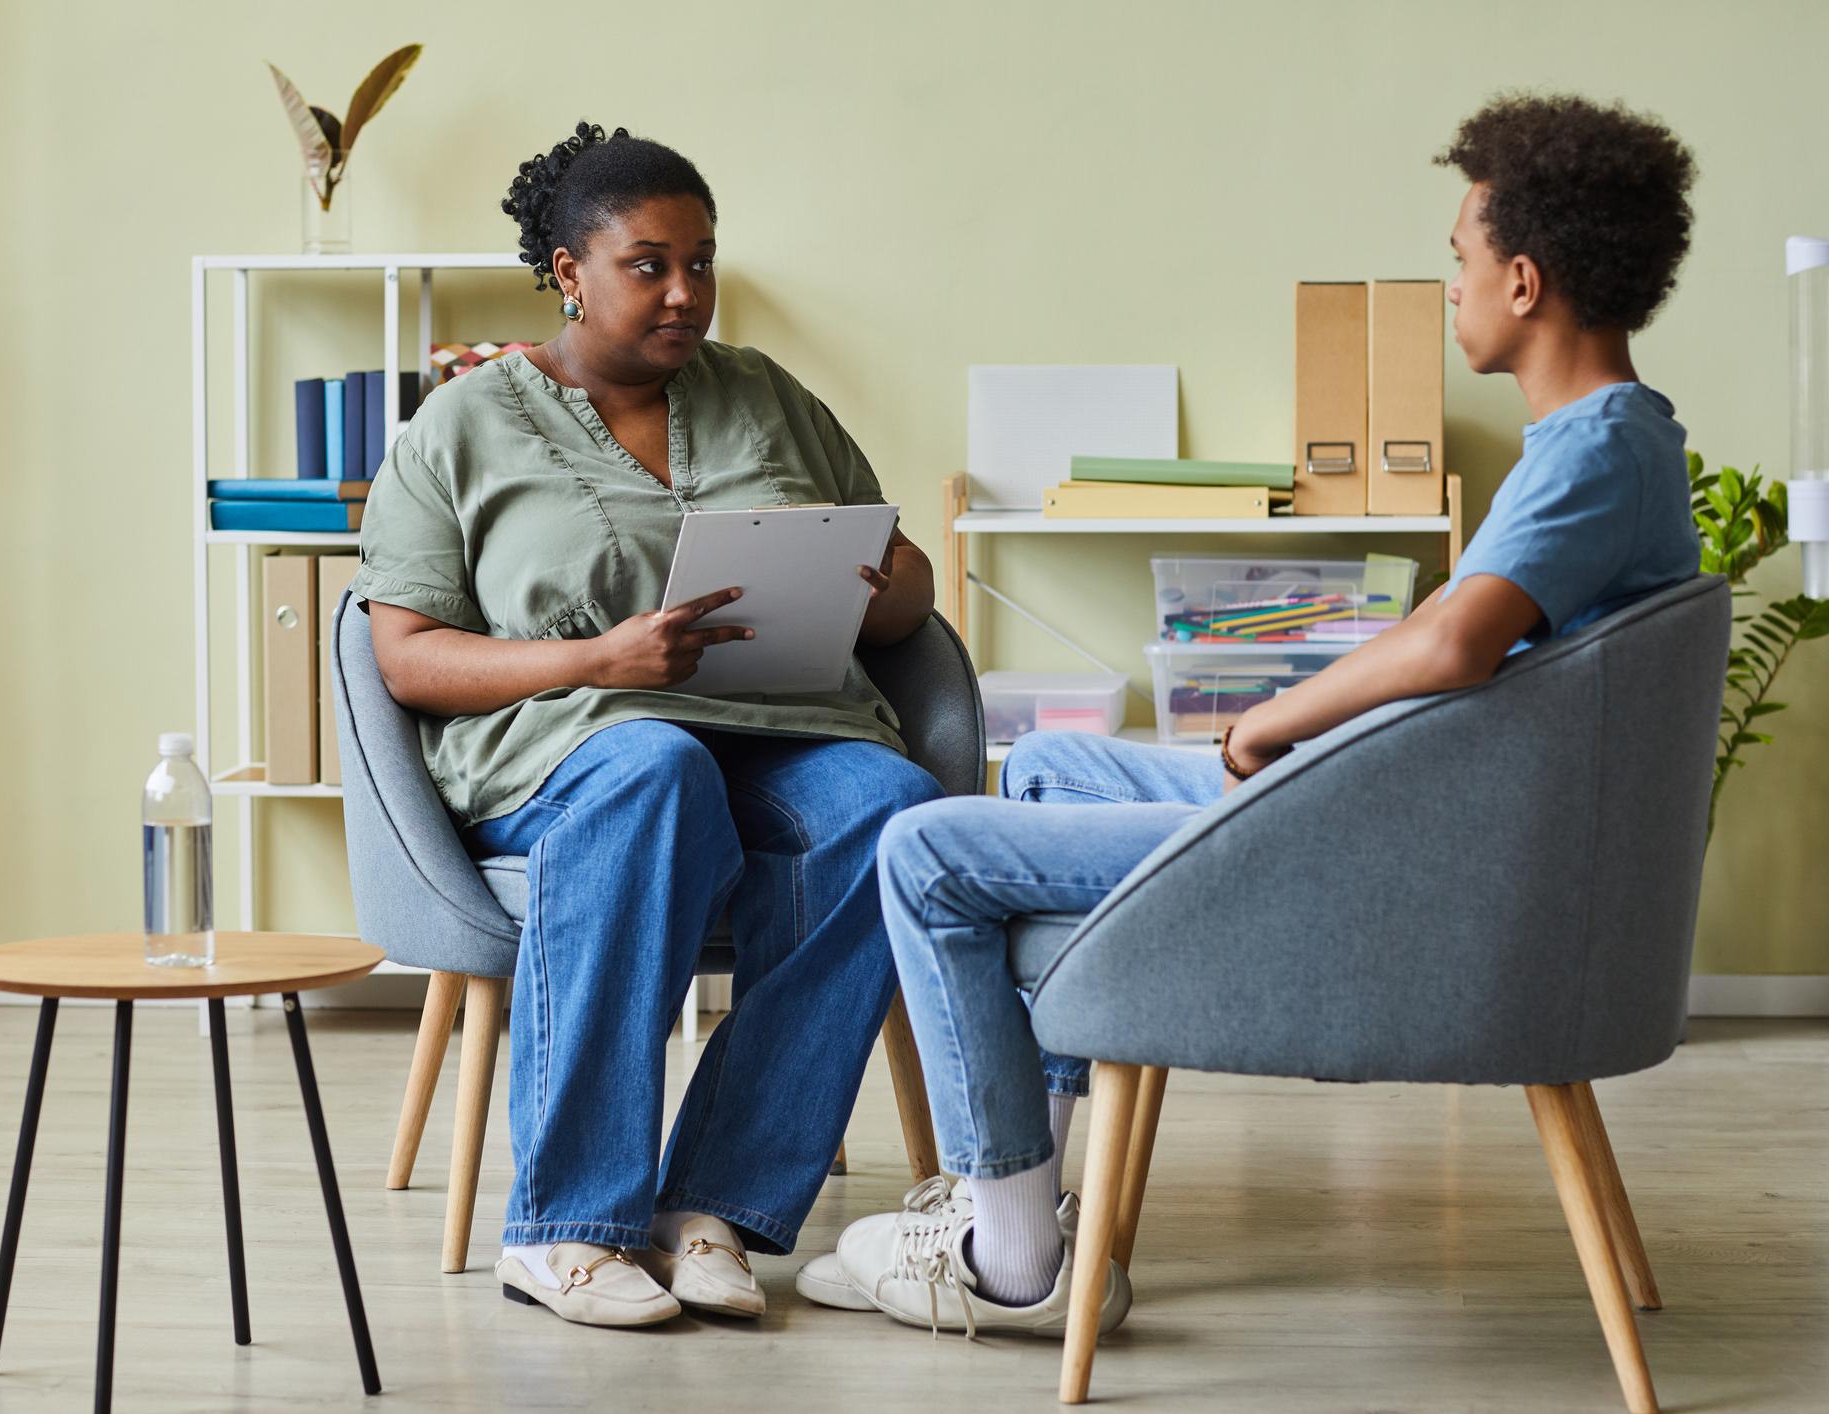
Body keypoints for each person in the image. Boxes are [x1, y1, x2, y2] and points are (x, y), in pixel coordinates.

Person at [803, 91, 1703, 1339]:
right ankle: (1027, 1202)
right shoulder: (1614, 443)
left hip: (1390, 846)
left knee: (926, 848)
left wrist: (1270, 717)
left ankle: (1005, 1260)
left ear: (1525, 282)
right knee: (1058, 765)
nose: (1452, 288)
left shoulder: (1593, 451)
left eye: (1460, 261)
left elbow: (1450, 644)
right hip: (1398, 805)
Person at [352, 121, 944, 1328]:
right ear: (569, 270)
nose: (686, 294)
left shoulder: (767, 396)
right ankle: (568, 1224)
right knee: (653, 765)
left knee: (889, 808)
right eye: (649, 265)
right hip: (571, 743)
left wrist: (881, 577)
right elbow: (405, 658)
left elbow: (910, 601)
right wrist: (599, 656)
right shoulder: (456, 428)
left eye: (703, 263)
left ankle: (709, 1206)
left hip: (782, 724)